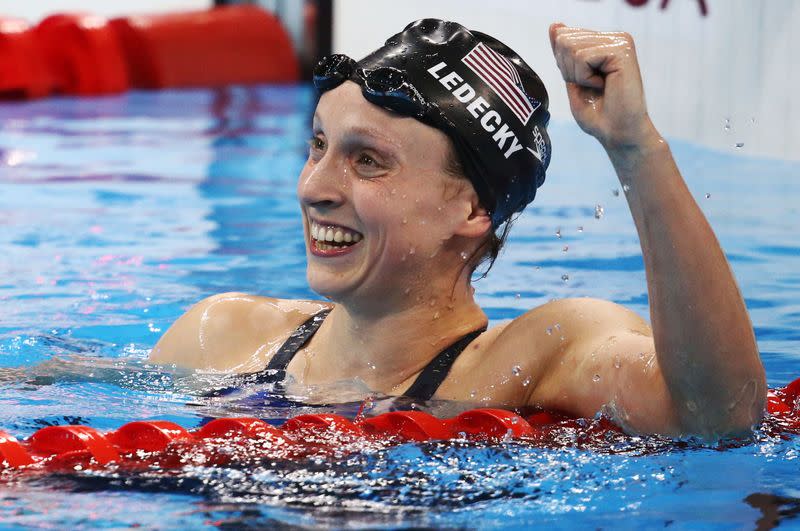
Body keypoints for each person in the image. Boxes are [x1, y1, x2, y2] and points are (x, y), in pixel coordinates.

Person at [150, 19, 766, 439]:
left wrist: (636, 149)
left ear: (473, 212)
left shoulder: (536, 360)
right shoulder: (221, 335)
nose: (314, 187)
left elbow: (719, 417)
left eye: (368, 160)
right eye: (318, 145)